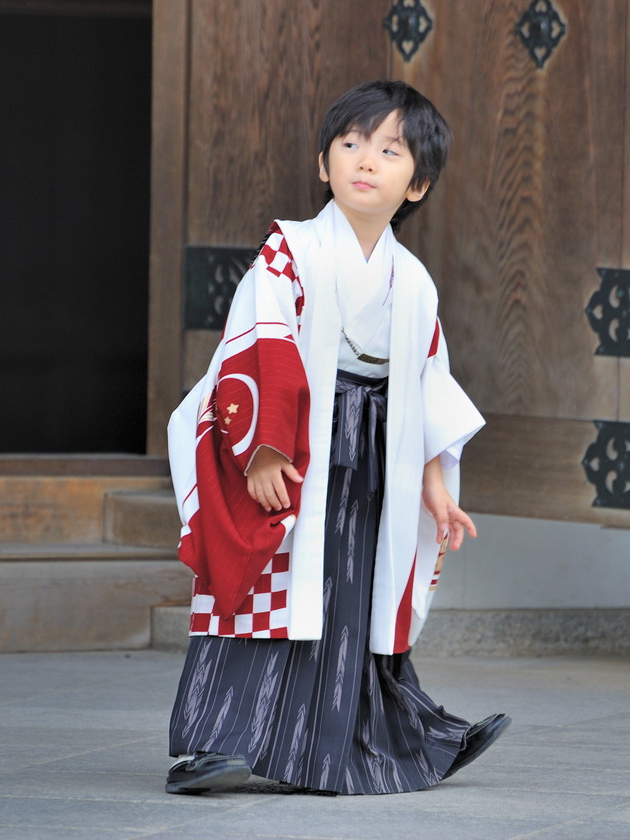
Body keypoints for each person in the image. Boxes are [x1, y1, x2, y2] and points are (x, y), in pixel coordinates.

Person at [164, 80, 510, 796]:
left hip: (376, 449)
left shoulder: (412, 283)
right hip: (294, 448)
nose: (365, 160)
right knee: (267, 584)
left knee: (355, 592)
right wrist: (262, 447)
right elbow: (257, 344)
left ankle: (395, 739)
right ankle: (210, 744)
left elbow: (427, 386)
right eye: (350, 144)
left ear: (417, 184)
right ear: (323, 164)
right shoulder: (289, 251)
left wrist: (436, 487)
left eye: (389, 150)